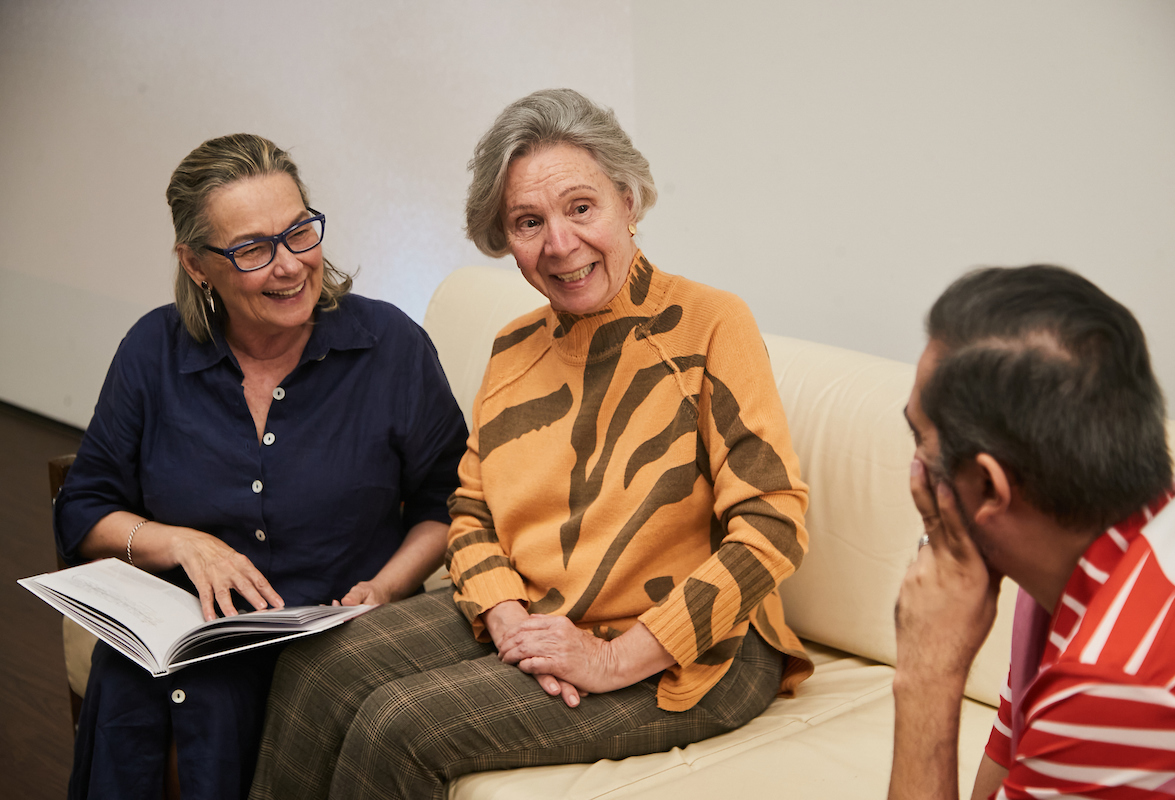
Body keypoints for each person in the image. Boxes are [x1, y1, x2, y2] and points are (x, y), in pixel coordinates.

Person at [249, 88, 813, 799]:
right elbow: (473, 509)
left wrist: (611, 661)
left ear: (628, 201)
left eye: (582, 208)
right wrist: (508, 619)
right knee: (317, 662)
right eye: (527, 222)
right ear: (503, 238)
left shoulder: (709, 324)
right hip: (540, 609)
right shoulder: (515, 347)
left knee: (400, 725)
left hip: (694, 649)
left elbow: (773, 522)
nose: (560, 244)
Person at [54, 133, 468, 800]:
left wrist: (388, 587)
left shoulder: (389, 347)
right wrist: (179, 543)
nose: (290, 265)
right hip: (190, 625)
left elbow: (448, 500)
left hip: (336, 629)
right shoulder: (151, 351)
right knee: (147, 679)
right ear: (196, 265)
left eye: (300, 232)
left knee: (206, 696)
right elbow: (84, 506)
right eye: (252, 249)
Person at [888, 265, 1175, 800]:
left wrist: (926, 674)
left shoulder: (1120, 687)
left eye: (921, 442)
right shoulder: (1074, 569)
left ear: (989, 486)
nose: (916, 471)